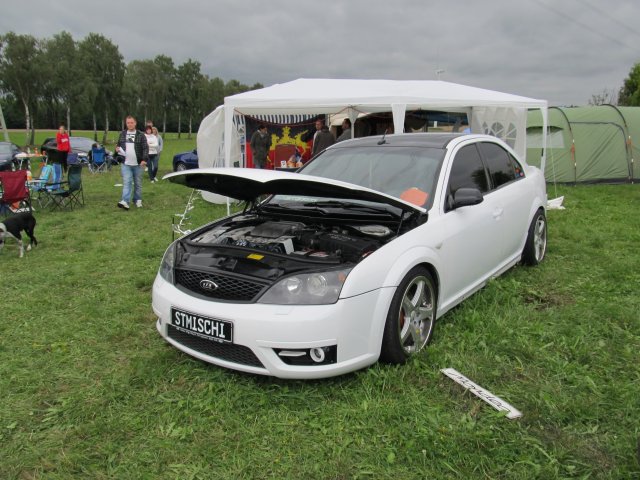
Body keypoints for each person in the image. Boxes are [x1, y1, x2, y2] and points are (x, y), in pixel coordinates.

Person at [115, 116, 148, 210]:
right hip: (126, 164)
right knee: (127, 182)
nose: (129, 124)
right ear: (126, 123)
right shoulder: (122, 134)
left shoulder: (141, 135)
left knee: (138, 183)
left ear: (135, 123)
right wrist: (117, 149)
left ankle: (137, 199)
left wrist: (144, 159)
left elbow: (145, 148)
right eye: (128, 122)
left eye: (131, 122)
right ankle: (125, 201)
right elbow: (119, 145)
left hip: (138, 164)